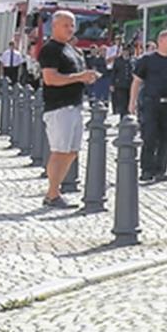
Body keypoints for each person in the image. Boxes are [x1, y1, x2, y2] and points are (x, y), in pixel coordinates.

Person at [38, 12, 98, 207]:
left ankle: (54, 191)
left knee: (72, 151)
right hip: (58, 106)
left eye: (72, 25)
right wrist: (80, 77)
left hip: (75, 104)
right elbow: (50, 78)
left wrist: (87, 77)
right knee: (59, 151)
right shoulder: (50, 49)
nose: (70, 29)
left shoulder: (72, 50)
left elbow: (76, 74)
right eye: (66, 25)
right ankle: (52, 194)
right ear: (54, 26)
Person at [131, 30, 167, 185]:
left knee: (166, 138)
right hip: (151, 103)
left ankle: (161, 170)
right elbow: (136, 82)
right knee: (149, 136)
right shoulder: (146, 60)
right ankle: (147, 170)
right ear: (161, 41)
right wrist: (132, 103)